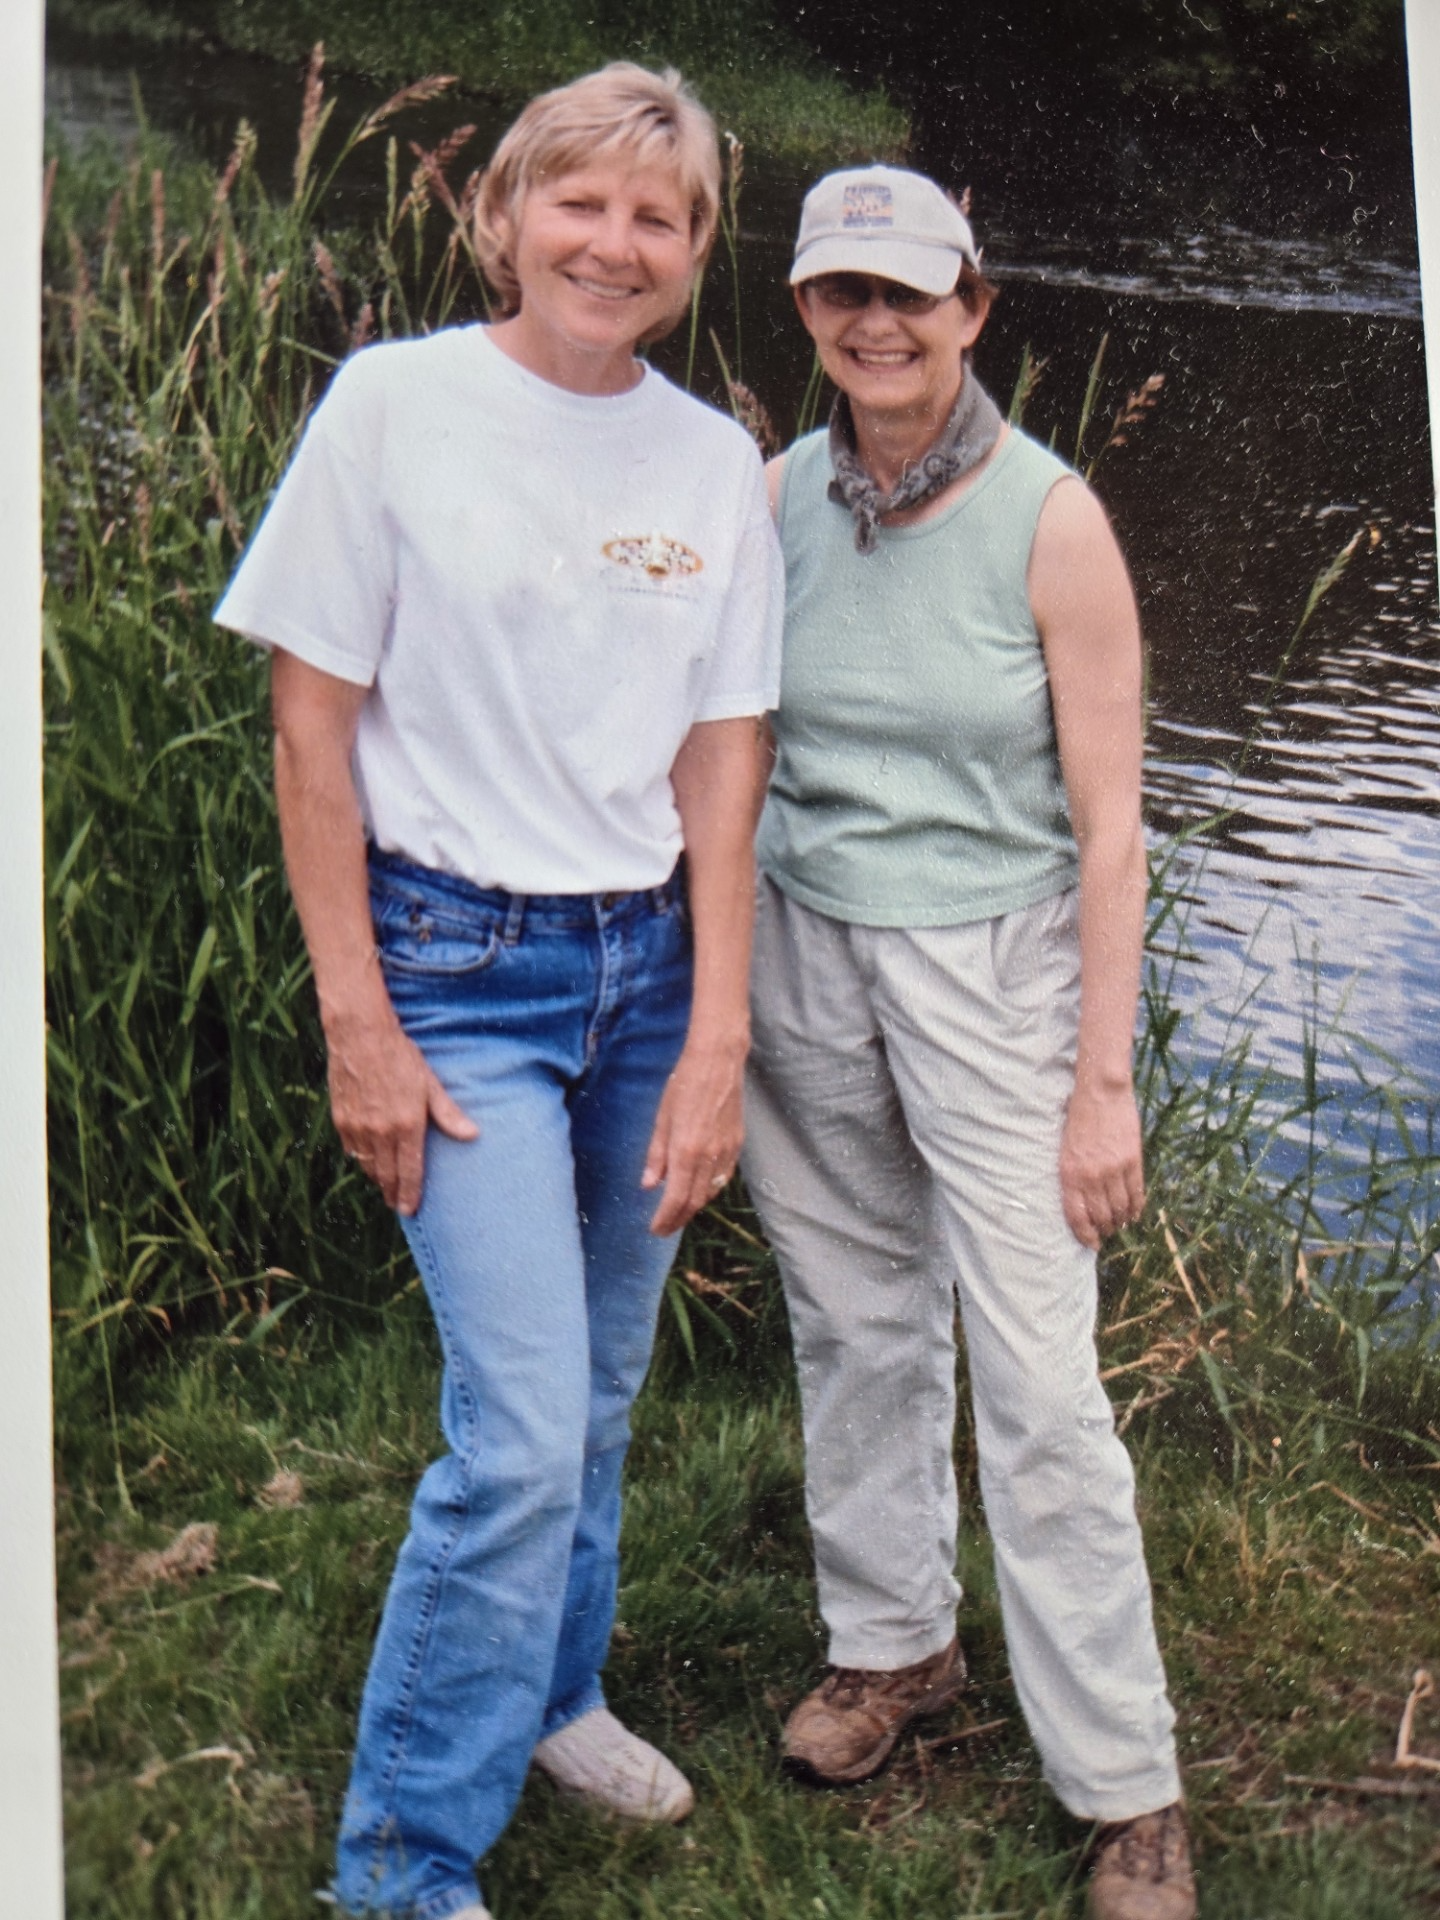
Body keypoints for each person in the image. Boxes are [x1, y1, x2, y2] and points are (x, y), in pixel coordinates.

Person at [214, 64, 783, 1920]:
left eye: (660, 216)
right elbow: (313, 729)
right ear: (507, 212)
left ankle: (553, 1694)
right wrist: (354, 1017)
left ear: (696, 253)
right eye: (582, 203)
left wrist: (718, 1035)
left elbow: (723, 753)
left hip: (649, 975)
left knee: (598, 1396)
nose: (614, 245)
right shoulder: (394, 405)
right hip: (452, 965)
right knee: (522, 1428)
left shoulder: (711, 461)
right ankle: (399, 1865)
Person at [741, 165, 1195, 1920]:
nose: (878, 323)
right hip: (803, 951)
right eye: (843, 291)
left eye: (910, 294)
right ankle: (894, 1649)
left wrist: (1103, 1077)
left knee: (1039, 1382)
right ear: (803, 310)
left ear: (975, 307)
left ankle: (1127, 1781)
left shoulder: (1049, 515)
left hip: (995, 973)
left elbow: (1109, 827)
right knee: (856, 1322)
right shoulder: (773, 494)